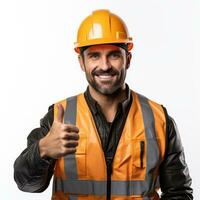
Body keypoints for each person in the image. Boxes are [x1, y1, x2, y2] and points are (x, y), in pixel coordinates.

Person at [14, 9, 193, 200]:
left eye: (114, 55)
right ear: (81, 62)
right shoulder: (60, 116)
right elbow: (27, 185)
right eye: (94, 56)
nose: (105, 65)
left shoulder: (158, 119)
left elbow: (179, 193)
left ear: (128, 60)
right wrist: (43, 150)